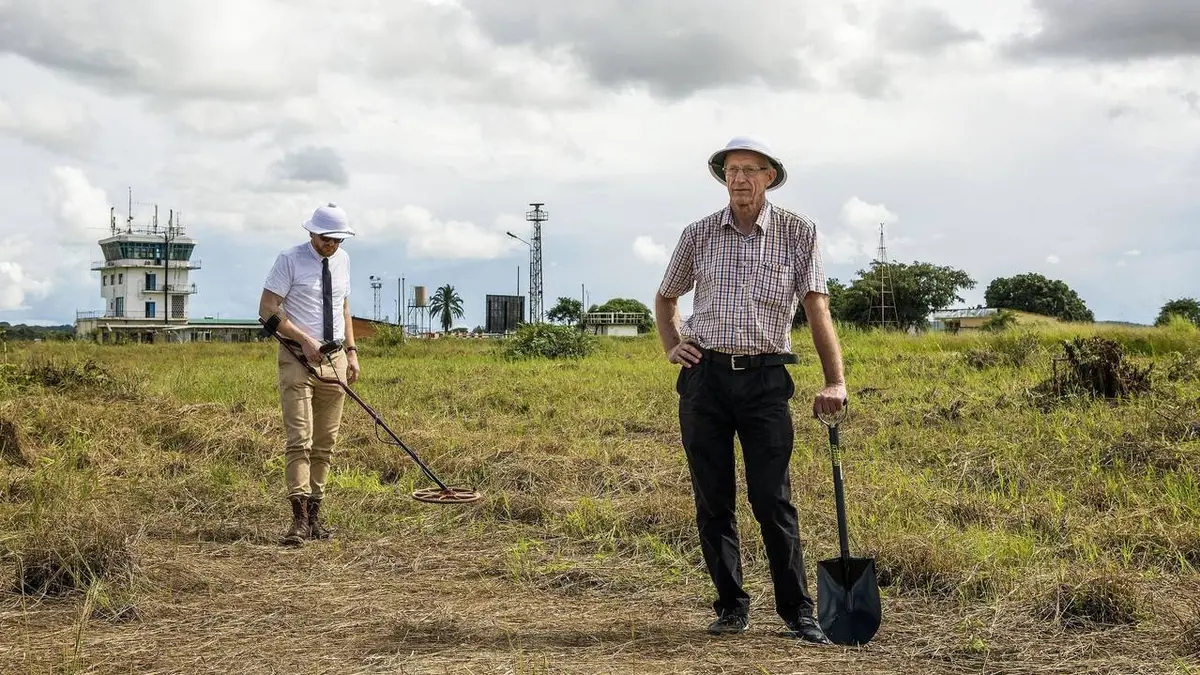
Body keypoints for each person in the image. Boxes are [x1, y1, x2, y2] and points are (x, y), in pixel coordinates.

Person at [654, 136, 847, 644]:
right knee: (713, 499)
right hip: (705, 381)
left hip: (765, 380)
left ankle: (798, 611)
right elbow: (666, 295)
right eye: (731, 171)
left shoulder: (797, 232)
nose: (738, 179)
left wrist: (834, 381)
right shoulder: (698, 234)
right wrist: (674, 345)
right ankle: (731, 605)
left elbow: (816, 309)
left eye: (749, 170)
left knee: (772, 498)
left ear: (769, 177)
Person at [258, 202, 361, 547]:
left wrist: (351, 351)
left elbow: (344, 308)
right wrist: (304, 340)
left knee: (325, 442)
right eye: (326, 238)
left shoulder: (343, 261)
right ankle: (298, 519)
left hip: (335, 361)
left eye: (337, 240)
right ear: (312, 233)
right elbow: (267, 310)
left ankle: (316, 515)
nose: (331, 245)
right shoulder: (289, 259)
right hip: (297, 357)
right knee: (299, 438)